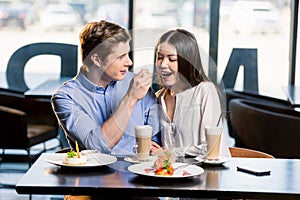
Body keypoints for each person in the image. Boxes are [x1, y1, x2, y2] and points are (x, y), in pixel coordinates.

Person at [51, 20, 161, 156]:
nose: (129, 62)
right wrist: (130, 98)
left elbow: (156, 138)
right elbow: (97, 146)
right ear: (97, 59)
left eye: (128, 54)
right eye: (121, 57)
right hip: (92, 175)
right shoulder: (66, 97)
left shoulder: (136, 83)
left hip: (137, 172)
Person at [154, 28, 228, 157]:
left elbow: (209, 147)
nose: (163, 64)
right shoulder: (159, 97)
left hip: (208, 173)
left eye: (172, 59)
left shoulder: (205, 91)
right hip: (171, 174)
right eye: (160, 57)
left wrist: (168, 152)